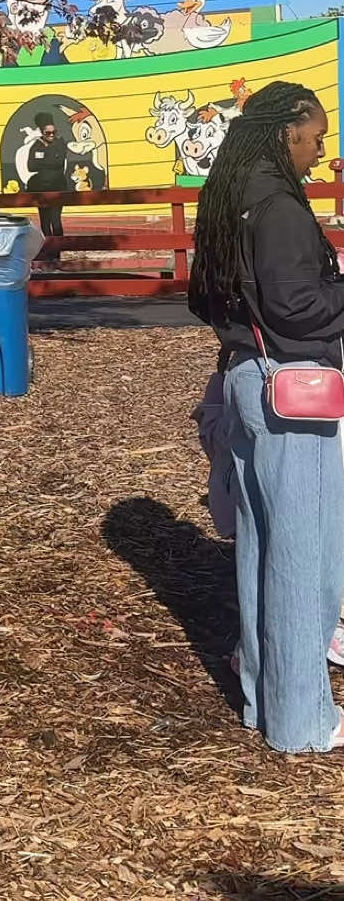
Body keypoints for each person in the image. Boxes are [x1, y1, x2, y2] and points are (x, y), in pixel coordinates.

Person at [189, 81, 344, 754]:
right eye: (314, 136)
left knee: (260, 546)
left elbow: (204, 297)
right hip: (292, 385)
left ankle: (260, 693)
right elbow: (296, 308)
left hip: (246, 378)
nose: (319, 150)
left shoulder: (228, 194)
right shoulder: (278, 203)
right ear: (287, 131)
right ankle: (303, 719)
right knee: (300, 555)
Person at [25, 113, 67, 242]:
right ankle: (48, 249)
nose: (52, 135)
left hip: (57, 187)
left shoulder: (60, 143)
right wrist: (50, 161)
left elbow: (59, 162)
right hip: (42, 189)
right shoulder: (36, 145)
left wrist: (43, 162)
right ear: (42, 132)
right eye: (48, 133)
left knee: (55, 220)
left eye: (53, 132)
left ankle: (59, 248)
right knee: (45, 220)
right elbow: (30, 166)